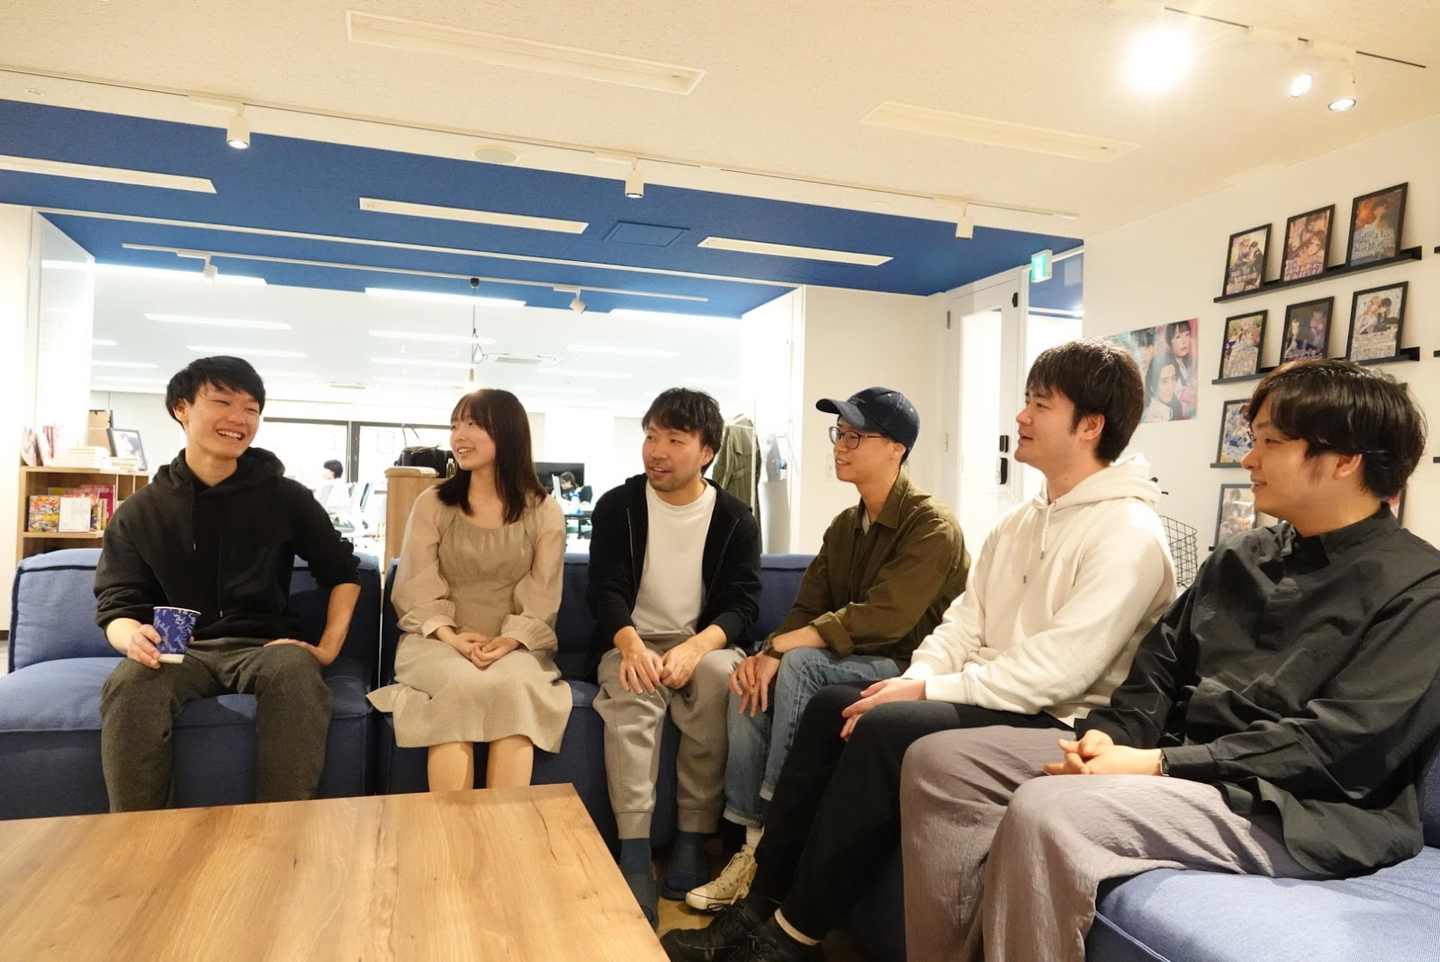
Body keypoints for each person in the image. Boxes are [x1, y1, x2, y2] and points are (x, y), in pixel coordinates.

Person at [899, 358, 1440, 962]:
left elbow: (1339, 744)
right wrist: (1109, 739)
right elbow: (1157, 668)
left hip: (1292, 806)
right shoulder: (1241, 556)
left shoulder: (1418, 587)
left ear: (1345, 460)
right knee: (940, 762)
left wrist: (1157, 764)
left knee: (1049, 808)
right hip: (1178, 763)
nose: (1249, 459)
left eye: (1270, 442)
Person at [662, 339, 1176, 962]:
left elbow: (1058, 673)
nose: (1021, 416)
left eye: (1040, 404)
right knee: (830, 707)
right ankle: (757, 906)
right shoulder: (1019, 521)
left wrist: (922, 688)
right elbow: (962, 624)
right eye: (1025, 400)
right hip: (990, 694)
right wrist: (922, 676)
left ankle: (790, 938)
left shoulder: (1128, 533)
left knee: (882, 726)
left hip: (1060, 718)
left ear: (1090, 425)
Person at [683, 387, 969, 914]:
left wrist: (785, 646)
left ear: (897, 448)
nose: (840, 445)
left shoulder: (931, 526)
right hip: (852, 658)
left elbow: (886, 617)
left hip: (907, 666)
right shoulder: (844, 527)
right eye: (840, 433)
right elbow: (807, 606)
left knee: (803, 664)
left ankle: (777, 838)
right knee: (748, 676)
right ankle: (750, 846)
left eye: (856, 436)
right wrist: (767, 653)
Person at [94, 356, 362, 812]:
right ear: (181, 408)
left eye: (251, 409)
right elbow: (117, 602)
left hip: (264, 644)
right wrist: (130, 637)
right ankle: (141, 836)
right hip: (181, 650)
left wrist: (328, 648)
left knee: (295, 672)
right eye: (222, 402)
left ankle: (280, 827)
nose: (239, 418)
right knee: (131, 683)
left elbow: (342, 570)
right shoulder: (140, 511)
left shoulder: (286, 497)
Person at [588, 388, 762, 925]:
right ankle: (635, 852)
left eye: (674, 440)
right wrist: (631, 644)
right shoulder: (618, 507)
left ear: (707, 451)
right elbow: (604, 589)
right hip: (630, 638)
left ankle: (691, 840)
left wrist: (697, 645)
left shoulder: (735, 518)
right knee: (634, 690)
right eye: (651, 436)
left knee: (719, 680)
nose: (656, 451)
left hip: (701, 641)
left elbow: (742, 604)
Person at [368, 389, 567, 792]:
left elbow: (543, 595)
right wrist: (452, 637)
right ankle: (452, 828)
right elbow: (416, 587)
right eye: (455, 425)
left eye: (474, 424)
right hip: (435, 639)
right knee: (461, 683)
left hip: (516, 643)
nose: (459, 436)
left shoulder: (544, 511)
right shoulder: (433, 503)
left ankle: (503, 826)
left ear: (507, 432)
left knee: (513, 687)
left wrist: (510, 641)